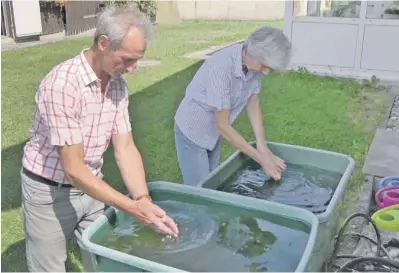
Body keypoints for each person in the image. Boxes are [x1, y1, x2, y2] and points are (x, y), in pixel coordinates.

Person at [20, 6, 178, 272]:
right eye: (128, 59)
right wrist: (130, 207)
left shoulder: (117, 86)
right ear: (103, 43)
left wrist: (143, 200)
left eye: (138, 59)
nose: (133, 69)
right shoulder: (62, 85)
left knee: (105, 258)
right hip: (49, 191)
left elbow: (125, 148)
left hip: (93, 185)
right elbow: (74, 169)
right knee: (49, 268)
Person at [174, 26, 292, 186]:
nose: (266, 72)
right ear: (253, 53)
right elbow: (223, 125)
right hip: (192, 130)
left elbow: (253, 101)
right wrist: (262, 160)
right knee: (198, 192)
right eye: (265, 65)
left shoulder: (254, 67)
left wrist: (262, 146)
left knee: (212, 183)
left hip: (212, 134)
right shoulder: (221, 69)